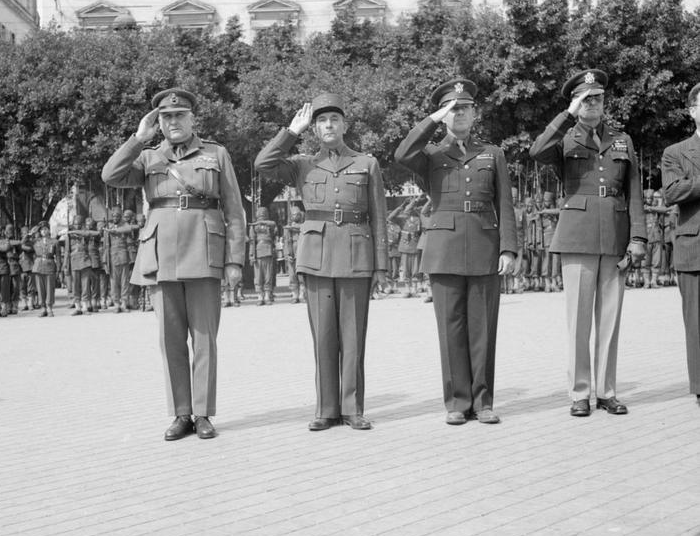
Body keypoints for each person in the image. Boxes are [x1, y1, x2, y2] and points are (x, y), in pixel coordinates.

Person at [102, 88, 245, 441]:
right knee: (170, 340)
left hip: (204, 253)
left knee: (205, 339)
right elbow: (111, 175)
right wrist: (138, 139)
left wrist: (235, 260)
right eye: (166, 117)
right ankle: (181, 413)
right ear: (158, 123)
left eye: (180, 115)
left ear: (193, 118)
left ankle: (203, 413)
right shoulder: (149, 157)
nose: (173, 122)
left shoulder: (216, 153)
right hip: (161, 257)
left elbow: (234, 211)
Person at [255, 92, 388, 431]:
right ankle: (326, 409)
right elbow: (263, 164)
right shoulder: (302, 164)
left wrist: (381, 266)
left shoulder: (366, 163)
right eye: (322, 122)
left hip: (356, 256)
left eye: (334, 120)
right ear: (314, 129)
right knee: (324, 336)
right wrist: (290, 131)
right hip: (315, 257)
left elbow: (379, 217)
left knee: (353, 337)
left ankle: (352, 408)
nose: (329, 126)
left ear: (345, 124)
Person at [395, 78, 516, 425]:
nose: (459, 114)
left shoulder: (493, 154)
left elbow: (504, 203)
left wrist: (508, 249)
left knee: (483, 328)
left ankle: (483, 401)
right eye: (452, 109)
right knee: (451, 328)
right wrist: (432, 119)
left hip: (484, 245)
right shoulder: (431, 155)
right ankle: (457, 402)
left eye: (464, 108)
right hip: (444, 249)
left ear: (474, 113)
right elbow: (402, 154)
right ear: (444, 115)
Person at [530, 69, 646, 417]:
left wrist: (638, 237)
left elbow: (634, 191)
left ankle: (607, 391)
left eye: (597, 98)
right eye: (585, 99)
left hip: (614, 234)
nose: (592, 104)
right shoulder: (564, 138)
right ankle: (580, 392)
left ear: (604, 102)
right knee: (579, 321)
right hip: (577, 234)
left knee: (609, 321)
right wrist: (567, 115)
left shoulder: (622, 140)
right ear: (576, 103)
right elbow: (537, 151)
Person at [660, 81, 700, 406]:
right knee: (696, 322)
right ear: (693, 111)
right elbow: (672, 192)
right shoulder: (675, 152)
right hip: (694, 247)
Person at [249, 207, 277, 305]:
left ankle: (267, 296)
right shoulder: (253, 226)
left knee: (268, 275)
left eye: (263, 213)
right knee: (258, 276)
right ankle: (260, 296)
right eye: (260, 213)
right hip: (258, 251)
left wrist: (263, 223)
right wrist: (251, 255)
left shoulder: (269, 224)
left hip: (268, 250)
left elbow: (274, 225)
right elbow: (252, 242)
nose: (261, 214)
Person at [33, 221, 58, 317]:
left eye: (45, 229)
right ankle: (42, 307)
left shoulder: (54, 241)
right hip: (39, 266)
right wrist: (32, 232)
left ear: (48, 230)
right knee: (40, 288)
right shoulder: (36, 241)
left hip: (50, 265)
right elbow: (24, 242)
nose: (43, 231)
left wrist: (59, 269)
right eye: (42, 230)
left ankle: (49, 307)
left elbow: (58, 256)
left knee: (50, 288)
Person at [283, 207, 305, 303]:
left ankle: (302, 294)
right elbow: (286, 242)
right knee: (292, 275)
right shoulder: (288, 228)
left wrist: (292, 227)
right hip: (292, 251)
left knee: (302, 275)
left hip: (302, 252)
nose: (294, 216)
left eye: (296, 214)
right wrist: (287, 254)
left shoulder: (304, 226)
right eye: (292, 214)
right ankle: (294, 294)